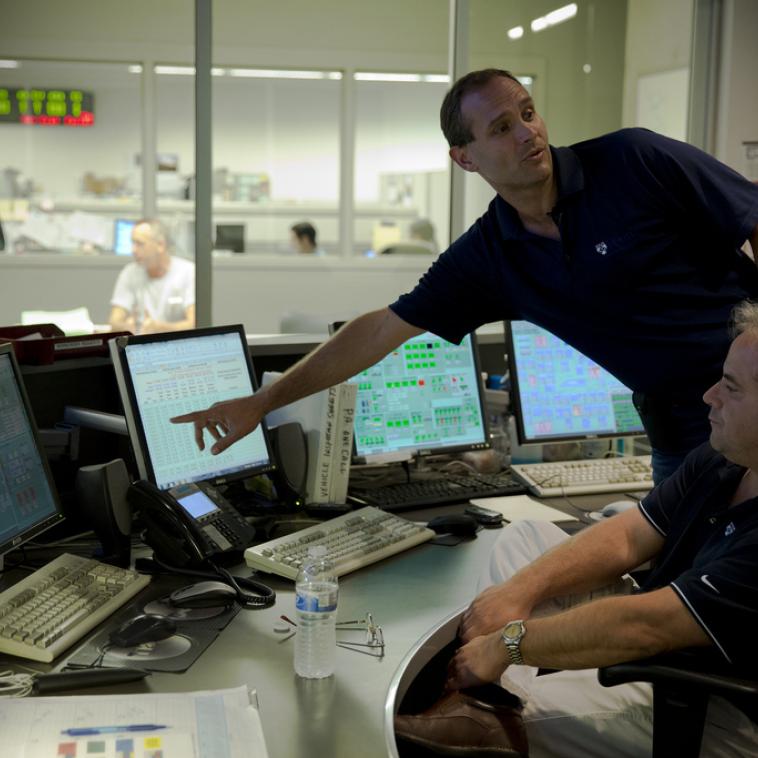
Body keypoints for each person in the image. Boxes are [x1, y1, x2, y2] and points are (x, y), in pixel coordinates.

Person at [171, 68, 758, 484]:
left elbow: (752, 217)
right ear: (465, 157)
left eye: (528, 113)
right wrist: (264, 399)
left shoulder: (634, 160)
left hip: (753, 403)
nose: (529, 132)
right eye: (502, 127)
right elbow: (380, 331)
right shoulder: (489, 256)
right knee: (687, 583)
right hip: (683, 434)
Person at [393, 299, 758, 757]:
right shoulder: (725, 460)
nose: (710, 396)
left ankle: (493, 716)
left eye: (731, 387)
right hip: (666, 649)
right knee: (527, 538)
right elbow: (628, 534)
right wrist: (515, 596)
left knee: (532, 710)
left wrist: (503, 646)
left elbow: (649, 626)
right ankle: (490, 707)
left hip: (718, 707)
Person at [109, 218, 195, 334]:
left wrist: (159, 329)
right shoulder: (130, 273)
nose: (133, 250)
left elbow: (195, 324)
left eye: (140, 244)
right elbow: (114, 322)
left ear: (160, 245)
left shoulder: (188, 272)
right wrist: (127, 327)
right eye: (132, 243)